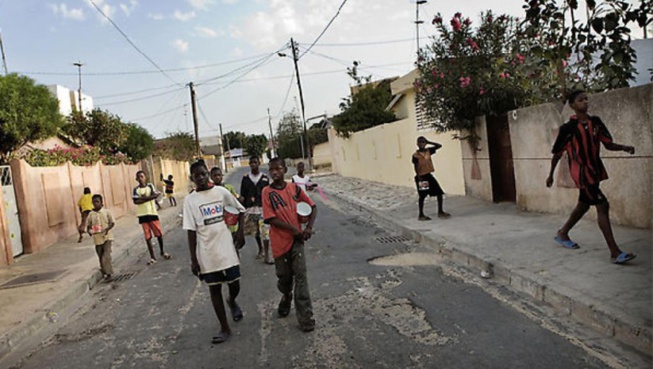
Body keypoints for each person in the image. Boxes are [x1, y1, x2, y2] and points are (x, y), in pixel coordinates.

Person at [546, 90, 636, 264]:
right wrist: (550, 175)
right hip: (581, 173)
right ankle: (615, 252)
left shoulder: (596, 122)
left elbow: (608, 144)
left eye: (586, 99)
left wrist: (624, 147)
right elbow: (557, 153)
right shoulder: (568, 128)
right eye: (580, 100)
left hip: (594, 170)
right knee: (602, 204)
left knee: (584, 204)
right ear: (572, 105)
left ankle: (563, 233)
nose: (585, 102)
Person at [183, 161, 246, 344]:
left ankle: (232, 300)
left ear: (208, 174)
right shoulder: (190, 200)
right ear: (192, 178)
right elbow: (191, 230)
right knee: (214, 288)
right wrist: (193, 259)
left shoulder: (221, 192)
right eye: (197, 176)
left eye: (203, 174)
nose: (201, 178)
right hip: (207, 252)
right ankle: (224, 327)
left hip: (226, 247)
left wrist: (240, 233)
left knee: (235, 283)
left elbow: (240, 210)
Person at [262, 157, 317, 332]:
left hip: (297, 242)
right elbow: (270, 218)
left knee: (301, 277)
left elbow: (312, 207)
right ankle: (286, 296)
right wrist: (294, 229)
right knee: (284, 278)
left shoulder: (293, 189)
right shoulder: (267, 192)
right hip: (279, 243)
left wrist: (308, 227)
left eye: (278, 169)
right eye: (271, 170)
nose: (274, 172)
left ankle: (305, 316)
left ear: (285, 170)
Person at [132, 170, 171, 265]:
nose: (141, 178)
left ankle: (162, 252)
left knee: (158, 234)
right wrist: (149, 197)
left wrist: (143, 198)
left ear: (145, 177)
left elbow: (155, 195)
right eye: (139, 177)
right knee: (147, 236)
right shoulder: (136, 189)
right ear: (136, 179)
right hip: (142, 215)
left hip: (152, 213)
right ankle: (152, 256)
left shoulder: (150, 186)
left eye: (142, 176)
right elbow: (136, 201)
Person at [239, 156, 272, 264]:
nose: (253, 164)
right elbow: (242, 194)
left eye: (255, 162)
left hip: (263, 209)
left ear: (259, 163)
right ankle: (260, 248)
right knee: (256, 232)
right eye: (251, 162)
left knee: (265, 232)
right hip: (251, 209)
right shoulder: (245, 178)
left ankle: (267, 254)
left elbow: (269, 194)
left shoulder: (264, 178)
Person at [412, 136, 450, 221]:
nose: (422, 144)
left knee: (439, 193)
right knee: (422, 196)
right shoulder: (415, 155)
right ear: (417, 144)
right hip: (422, 177)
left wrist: (429, 142)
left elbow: (439, 145)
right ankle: (421, 215)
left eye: (423, 142)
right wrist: (419, 176)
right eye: (420, 142)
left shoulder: (428, 151)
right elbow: (415, 166)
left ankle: (440, 211)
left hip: (429, 175)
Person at [86, 194, 115, 282]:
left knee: (106, 255)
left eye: (97, 202)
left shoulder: (106, 212)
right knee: (100, 255)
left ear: (101, 202)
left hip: (107, 236)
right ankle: (104, 272)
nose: (95, 204)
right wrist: (89, 231)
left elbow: (112, 222)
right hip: (97, 238)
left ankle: (109, 273)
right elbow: (89, 225)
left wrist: (107, 229)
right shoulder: (91, 214)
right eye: (93, 202)